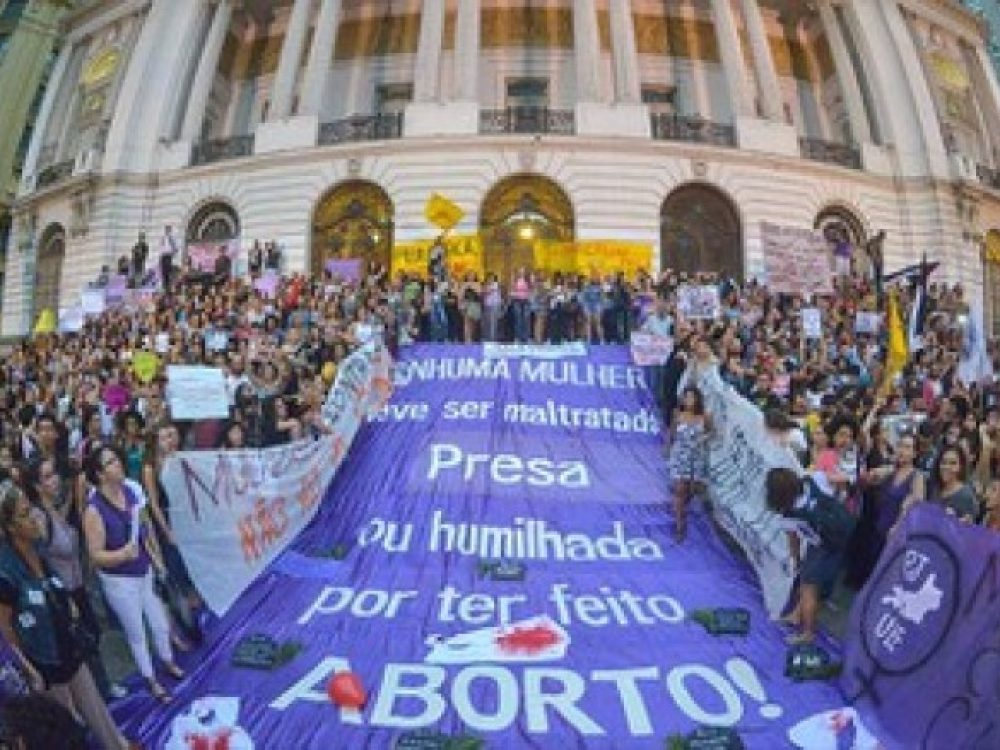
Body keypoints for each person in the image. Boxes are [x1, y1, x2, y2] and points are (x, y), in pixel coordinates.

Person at [0, 482, 135, 750]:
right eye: (25, 514)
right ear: (11, 526)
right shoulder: (5, 573)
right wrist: (29, 668)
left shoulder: (38, 547)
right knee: (64, 726)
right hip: (44, 662)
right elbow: (6, 629)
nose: (34, 518)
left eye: (31, 508)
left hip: (69, 645)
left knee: (95, 708)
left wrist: (70, 607)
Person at [82, 446, 183, 703]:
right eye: (111, 462)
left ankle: (168, 660)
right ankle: (151, 679)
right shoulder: (94, 510)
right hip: (120, 582)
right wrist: (121, 555)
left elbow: (144, 529)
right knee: (136, 632)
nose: (118, 463)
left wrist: (156, 560)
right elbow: (95, 555)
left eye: (117, 458)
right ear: (99, 474)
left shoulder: (130, 490)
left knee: (159, 622)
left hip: (144, 571)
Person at [766, 467, 857, 644]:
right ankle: (795, 615)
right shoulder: (814, 479)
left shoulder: (788, 514)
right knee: (808, 582)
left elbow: (794, 540)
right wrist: (841, 496)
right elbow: (843, 479)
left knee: (808, 589)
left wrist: (796, 560)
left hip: (822, 544)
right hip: (843, 532)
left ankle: (808, 633)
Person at [669, 386, 711, 542]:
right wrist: (668, 449)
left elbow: (711, 432)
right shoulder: (677, 414)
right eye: (686, 397)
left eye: (692, 397)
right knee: (679, 489)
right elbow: (672, 433)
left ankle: (682, 506)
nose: (688, 400)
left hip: (697, 456)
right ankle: (680, 525)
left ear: (697, 399)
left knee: (692, 490)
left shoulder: (704, 416)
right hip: (680, 455)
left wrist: (703, 439)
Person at [158, 225, 178, 293]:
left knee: (168, 271)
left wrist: (172, 254)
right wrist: (160, 256)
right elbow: (161, 247)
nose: (167, 231)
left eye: (168, 229)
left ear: (170, 230)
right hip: (163, 255)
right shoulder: (163, 237)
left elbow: (176, 248)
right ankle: (164, 286)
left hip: (168, 255)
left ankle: (168, 286)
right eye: (166, 229)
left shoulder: (172, 238)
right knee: (163, 271)